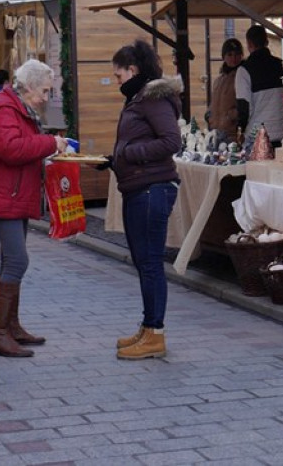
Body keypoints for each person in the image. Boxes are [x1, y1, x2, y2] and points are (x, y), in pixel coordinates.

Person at [0, 59, 67, 357]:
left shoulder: (16, 107)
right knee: (17, 261)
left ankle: (11, 326)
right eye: (45, 91)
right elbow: (10, 149)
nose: (46, 98)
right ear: (30, 87)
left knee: (10, 260)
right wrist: (50, 143)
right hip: (5, 194)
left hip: (13, 193)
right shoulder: (5, 109)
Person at [110, 39, 181, 360]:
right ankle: (148, 325)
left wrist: (129, 154)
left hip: (153, 189)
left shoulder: (153, 98)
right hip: (139, 187)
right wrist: (113, 159)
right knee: (143, 261)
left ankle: (155, 334)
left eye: (118, 75)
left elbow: (171, 141)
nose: (117, 81)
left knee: (150, 262)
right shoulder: (138, 98)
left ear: (133, 69)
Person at [235, 25, 283, 146]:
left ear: (249, 43)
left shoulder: (244, 70)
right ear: (267, 42)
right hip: (280, 132)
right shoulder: (281, 65)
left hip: (256, 134)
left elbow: (244, 106)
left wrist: (239, 130)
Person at [208, 38, 243, 141]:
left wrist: (230, 117)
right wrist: (209, 115)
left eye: (237, 54)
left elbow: (245, 105)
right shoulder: (219, 80)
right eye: (230, 54)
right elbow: (214, 102)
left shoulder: (242, 77)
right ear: (223, 57)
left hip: (232, 134)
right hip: (215, 133)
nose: (233, 58)